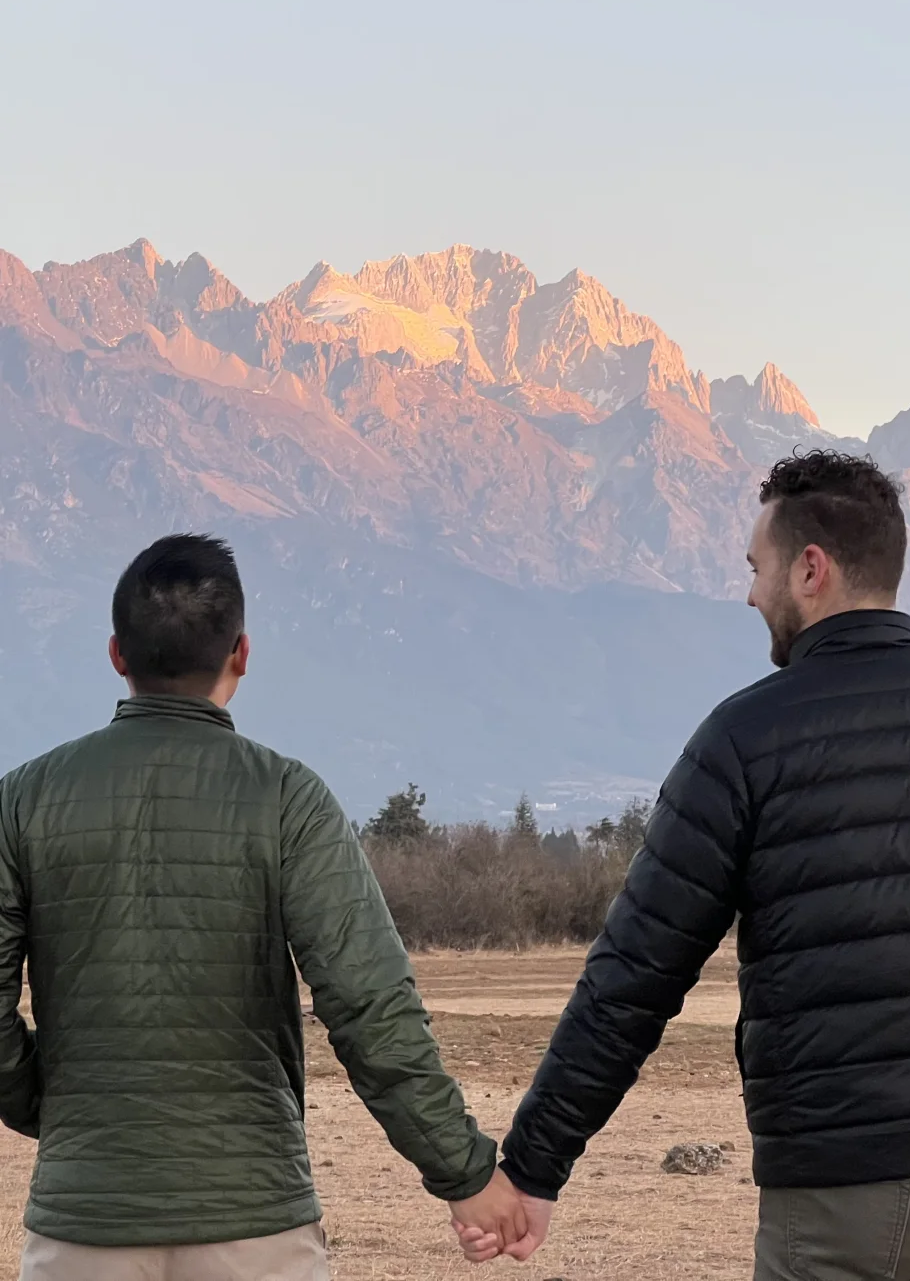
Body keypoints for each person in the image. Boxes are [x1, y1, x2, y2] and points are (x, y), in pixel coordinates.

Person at [464, 450, 910, 1277]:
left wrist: (535, 1168)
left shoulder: (742, 739)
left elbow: (633, 979)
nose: (751, 593)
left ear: (810, 570)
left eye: (757, 568)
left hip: (844, 1189)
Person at [0, 534, 524, 1280]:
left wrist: (50, 1109)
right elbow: (368, 1004)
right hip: (256, 1223)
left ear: (117, 654)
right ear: (241, 654)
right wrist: (464, 1172)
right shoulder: (287, 798)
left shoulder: (24, 800)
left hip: (82, 1222)